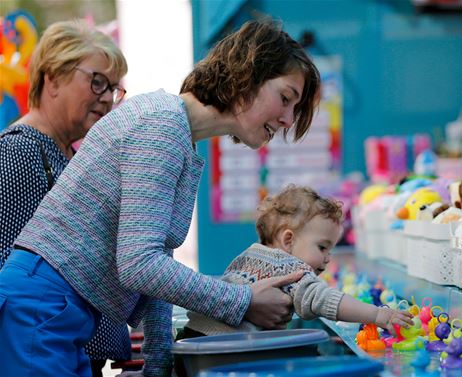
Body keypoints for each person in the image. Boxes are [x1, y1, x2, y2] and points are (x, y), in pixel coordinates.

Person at [0, 19, 320, 377]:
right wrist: (242, 300)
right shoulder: (161, 126)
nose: (289, 119)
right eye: (286, 98)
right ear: (248, 75)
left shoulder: (177, 132)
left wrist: (158, 365)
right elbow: (139, 264)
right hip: (41, 309)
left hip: (61, 313)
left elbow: (155, 259)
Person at [0, 19, 132, 377]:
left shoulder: (65, 155)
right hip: (41, 352)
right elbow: (12, 282)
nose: (107, 97)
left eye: (114, 88)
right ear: (52, 78)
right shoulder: (20, 153)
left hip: (63, 349)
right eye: (97, 81)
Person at [180, 185, 414, 337]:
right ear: (288, 240)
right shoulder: (290, 268)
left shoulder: (247, 255)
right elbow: (325, 300)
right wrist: (377, 315)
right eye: (322, 247)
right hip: (224, 351)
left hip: (189, 339)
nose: (327, 257)